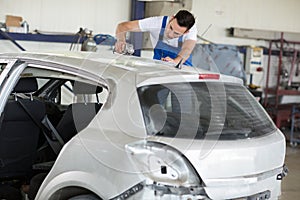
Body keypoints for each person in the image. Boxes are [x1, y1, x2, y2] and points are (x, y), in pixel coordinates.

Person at [115, 10, 197, 66]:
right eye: (171, 27)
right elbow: (122, 26)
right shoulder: (156, 23)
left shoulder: (191, 31)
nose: (170, 35)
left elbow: (187, 50)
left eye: (176, 33)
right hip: (159, 66)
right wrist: (121, 41)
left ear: (186, 32)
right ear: (172, 18)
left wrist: (175, 62)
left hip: (182, 67)